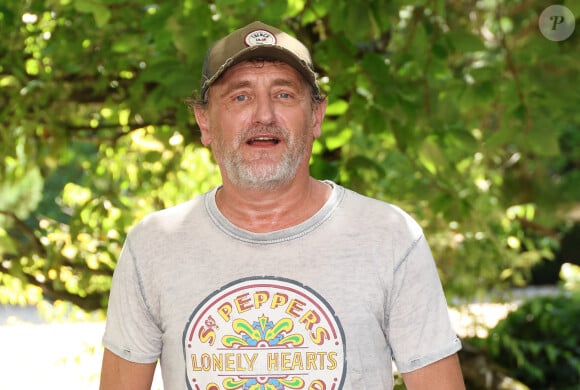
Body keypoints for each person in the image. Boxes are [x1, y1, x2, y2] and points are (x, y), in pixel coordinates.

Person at [99, 21, 465, 390]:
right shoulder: (153, 246)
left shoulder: (390, 237)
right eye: (240, 97)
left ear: (317, 116)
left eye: (285, 95)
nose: (264, 115)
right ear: (204, 121)